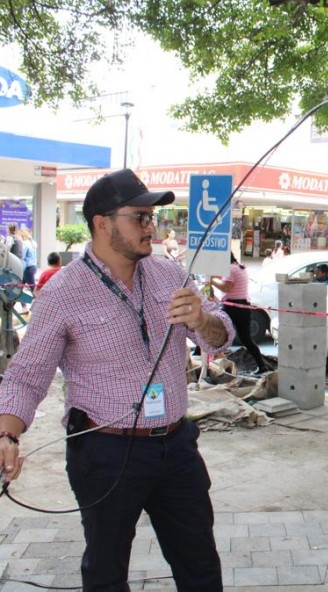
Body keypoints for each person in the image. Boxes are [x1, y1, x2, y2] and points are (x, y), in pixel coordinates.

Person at [0, 168, 235, 591]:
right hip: (104, 450)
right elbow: (26, 375)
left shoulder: (169, 275)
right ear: (102, 223)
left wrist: (202, 319)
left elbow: (221, 335)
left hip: (176, 446)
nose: (151, 228)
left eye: (152, 218)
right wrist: (8, 434)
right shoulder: (63, 292)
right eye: (139, 217)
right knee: (106, 573)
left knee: (200, 564)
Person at [210, 253, 269, 375]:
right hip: (243, 306)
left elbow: (226, 287)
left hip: (233, 306)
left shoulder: (231, 269)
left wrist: (211, 280)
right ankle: (262, 366)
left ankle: (219, 366)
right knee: (246, 339)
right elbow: (227, 280)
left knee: (217, 333)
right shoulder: (239, 267)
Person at [19, 228, 37, 302]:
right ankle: (23, 306)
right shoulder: (33, 243)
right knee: (19, 288)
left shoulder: (25, 244)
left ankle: (39, 303)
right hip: (32, 267)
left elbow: (22, 256)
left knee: (33, 289)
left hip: (27, 268)